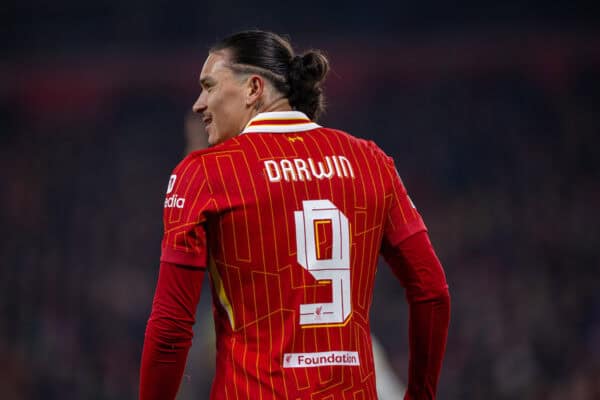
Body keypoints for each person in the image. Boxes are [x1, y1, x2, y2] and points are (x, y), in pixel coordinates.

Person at [139, 30, 450, 400]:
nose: (199, 103)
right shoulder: (371, 162)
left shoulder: (207, 174)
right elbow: (432, 292)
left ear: (254, 88)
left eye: (208, 86)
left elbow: (171, 328)